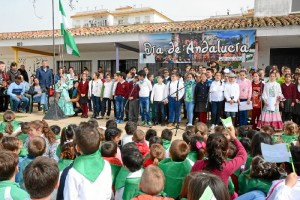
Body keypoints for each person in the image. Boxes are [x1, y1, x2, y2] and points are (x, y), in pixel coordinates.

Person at [63, 122, 112, 199]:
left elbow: (69, 198)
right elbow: (108, 194)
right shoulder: (106, 165)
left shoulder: (73, 172)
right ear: (99, 144)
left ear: (77, 148)